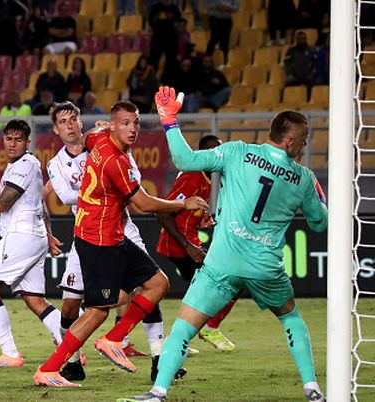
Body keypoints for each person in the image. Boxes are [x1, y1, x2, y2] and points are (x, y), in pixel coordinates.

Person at [116, 87, 327, 402]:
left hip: (222, 262)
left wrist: (170, 121)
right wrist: (319, 198)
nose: (307, 143)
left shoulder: (237, 151)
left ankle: (158, 392)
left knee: (185, 327)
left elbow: (184, 159)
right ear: (289, 141)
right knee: (290, 318)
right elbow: (320, 223)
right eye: (305, 137)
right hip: (265, 267)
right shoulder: (303, 177)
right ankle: (312, 388)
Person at [33, 101, 208, 387]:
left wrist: (100, 130)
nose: (133, 129)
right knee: (97, 310)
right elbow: (142, 202)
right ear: (112, 125)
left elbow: (90, 136)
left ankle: (118, 340)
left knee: (157, 283)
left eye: (136, 123)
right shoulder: (115, 161)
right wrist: (183, 204)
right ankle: (51, 368)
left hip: (114, 233)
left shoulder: (97, 139)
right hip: (97, 238)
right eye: (125, 123)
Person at [0, 119, 63, 368]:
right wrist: (47, 235)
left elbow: (2, 204)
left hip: (20, 235)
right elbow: (41, 204)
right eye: (8, 139)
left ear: (27, 142)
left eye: (18, 139)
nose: (12, 143)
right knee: (34, 299)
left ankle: (10, 354)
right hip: (33, 234)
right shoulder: (25, 165)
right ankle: (69, 346)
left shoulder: (23, 165)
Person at [155, 135, 239, 352]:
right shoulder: (192, 177)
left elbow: (189, 211)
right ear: (202, 154)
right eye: (210, 150)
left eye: (218, 150)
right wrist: (187, 246)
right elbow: (163, 213)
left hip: (189, 242)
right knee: (221, 284)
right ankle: (204, 329)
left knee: (205, 289)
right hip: (178, 245)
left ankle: (178, 338)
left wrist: (203, 219)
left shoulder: (213, 178)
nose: (215, 155)